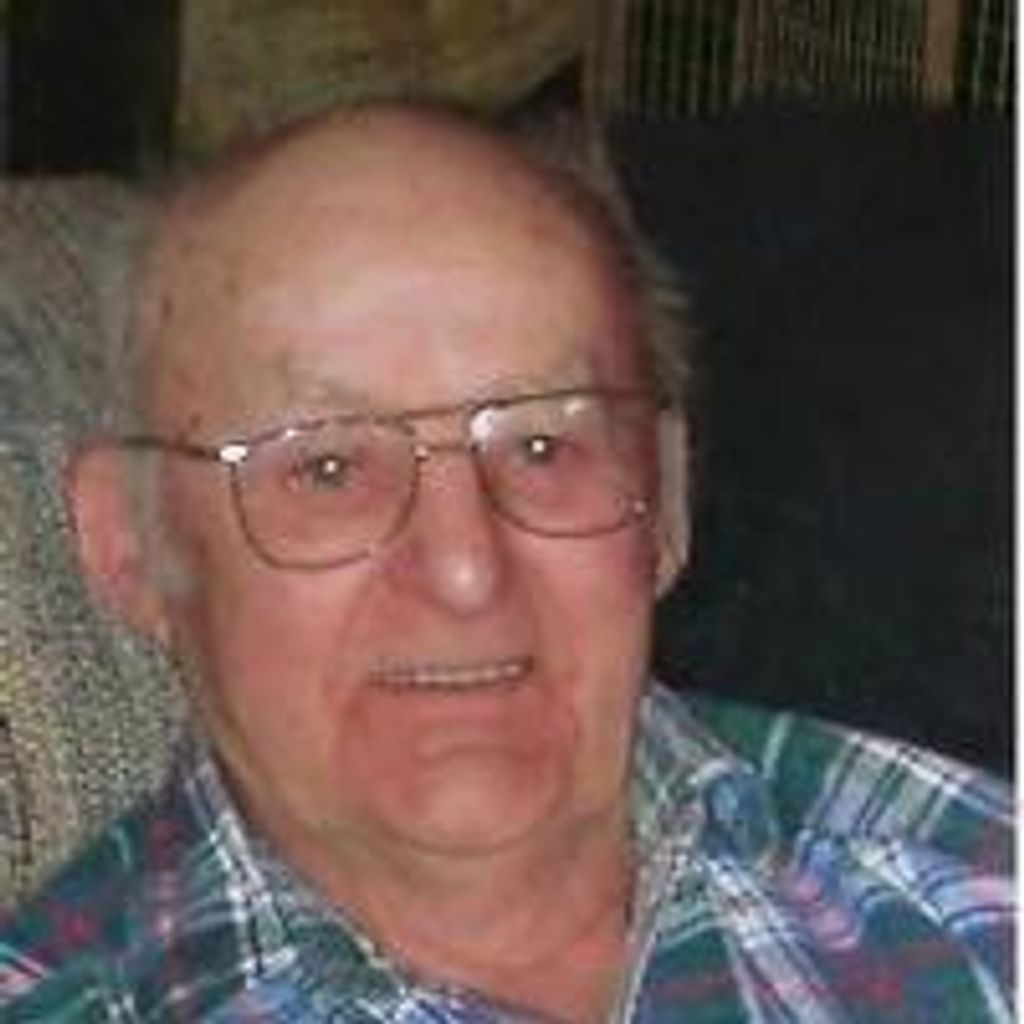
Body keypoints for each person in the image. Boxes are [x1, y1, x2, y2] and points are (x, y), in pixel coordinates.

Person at [0, 101, 1013, 1022]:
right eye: (328, 467)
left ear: (663, 499)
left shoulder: (966, 890)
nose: (465, 568)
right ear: (129, 545)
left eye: (542, 447)